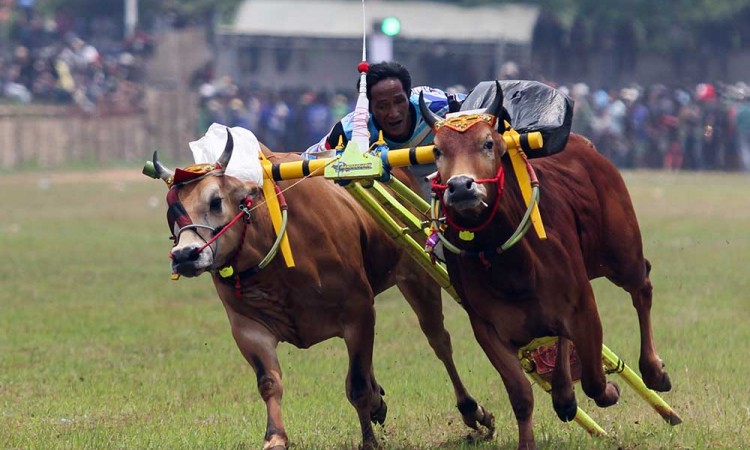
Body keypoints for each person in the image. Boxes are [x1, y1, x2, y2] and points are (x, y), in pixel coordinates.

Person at [304, 61, 464, 195]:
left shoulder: (440, 105)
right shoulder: (350, 130)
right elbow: (308, 162)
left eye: (399, 101)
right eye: (382, 106)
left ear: (409, 95)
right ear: (369, 108)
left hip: (445, 171)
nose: (394, 113)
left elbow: (481, 111)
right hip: (394, 186)